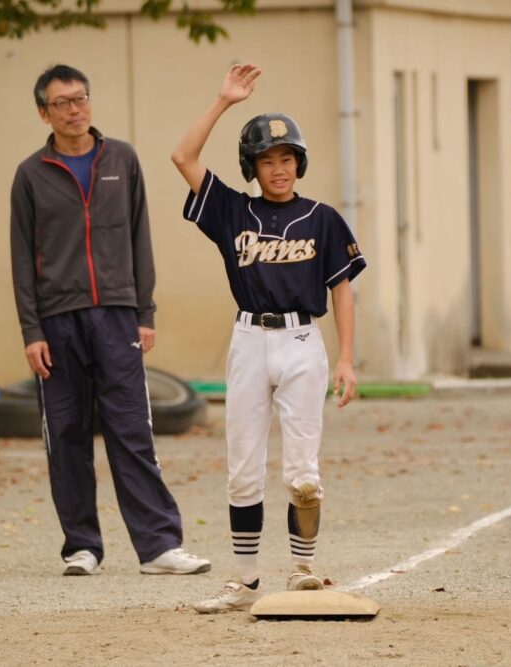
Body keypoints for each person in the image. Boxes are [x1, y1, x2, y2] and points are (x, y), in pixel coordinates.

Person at [170, 64, 366, 613]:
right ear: (251, 167)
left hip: (304, 342)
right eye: (267, 160)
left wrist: (347, 358)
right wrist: (222, 101)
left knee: (303, 473)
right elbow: (182, 158)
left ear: (299, 163)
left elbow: (343, 292)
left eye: (287, 158)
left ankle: (303, 568)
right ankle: (247, 580)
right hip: (248, 341)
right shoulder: (234, 209)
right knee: (243, 467)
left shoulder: (322, 218)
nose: (278, 168)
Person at [10, 64, 210, 577]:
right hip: (57, 323)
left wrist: (145, 312)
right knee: (67, 433)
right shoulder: (31, 175)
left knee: (131, 430)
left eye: (81, 99)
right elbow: (21, 257)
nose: (75, 110)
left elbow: (140, 236)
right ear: (43, 113)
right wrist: (31, 331)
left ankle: (159, 546)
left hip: (118, 317)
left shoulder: (122, 159)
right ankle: (82, 546)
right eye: (62, 103)